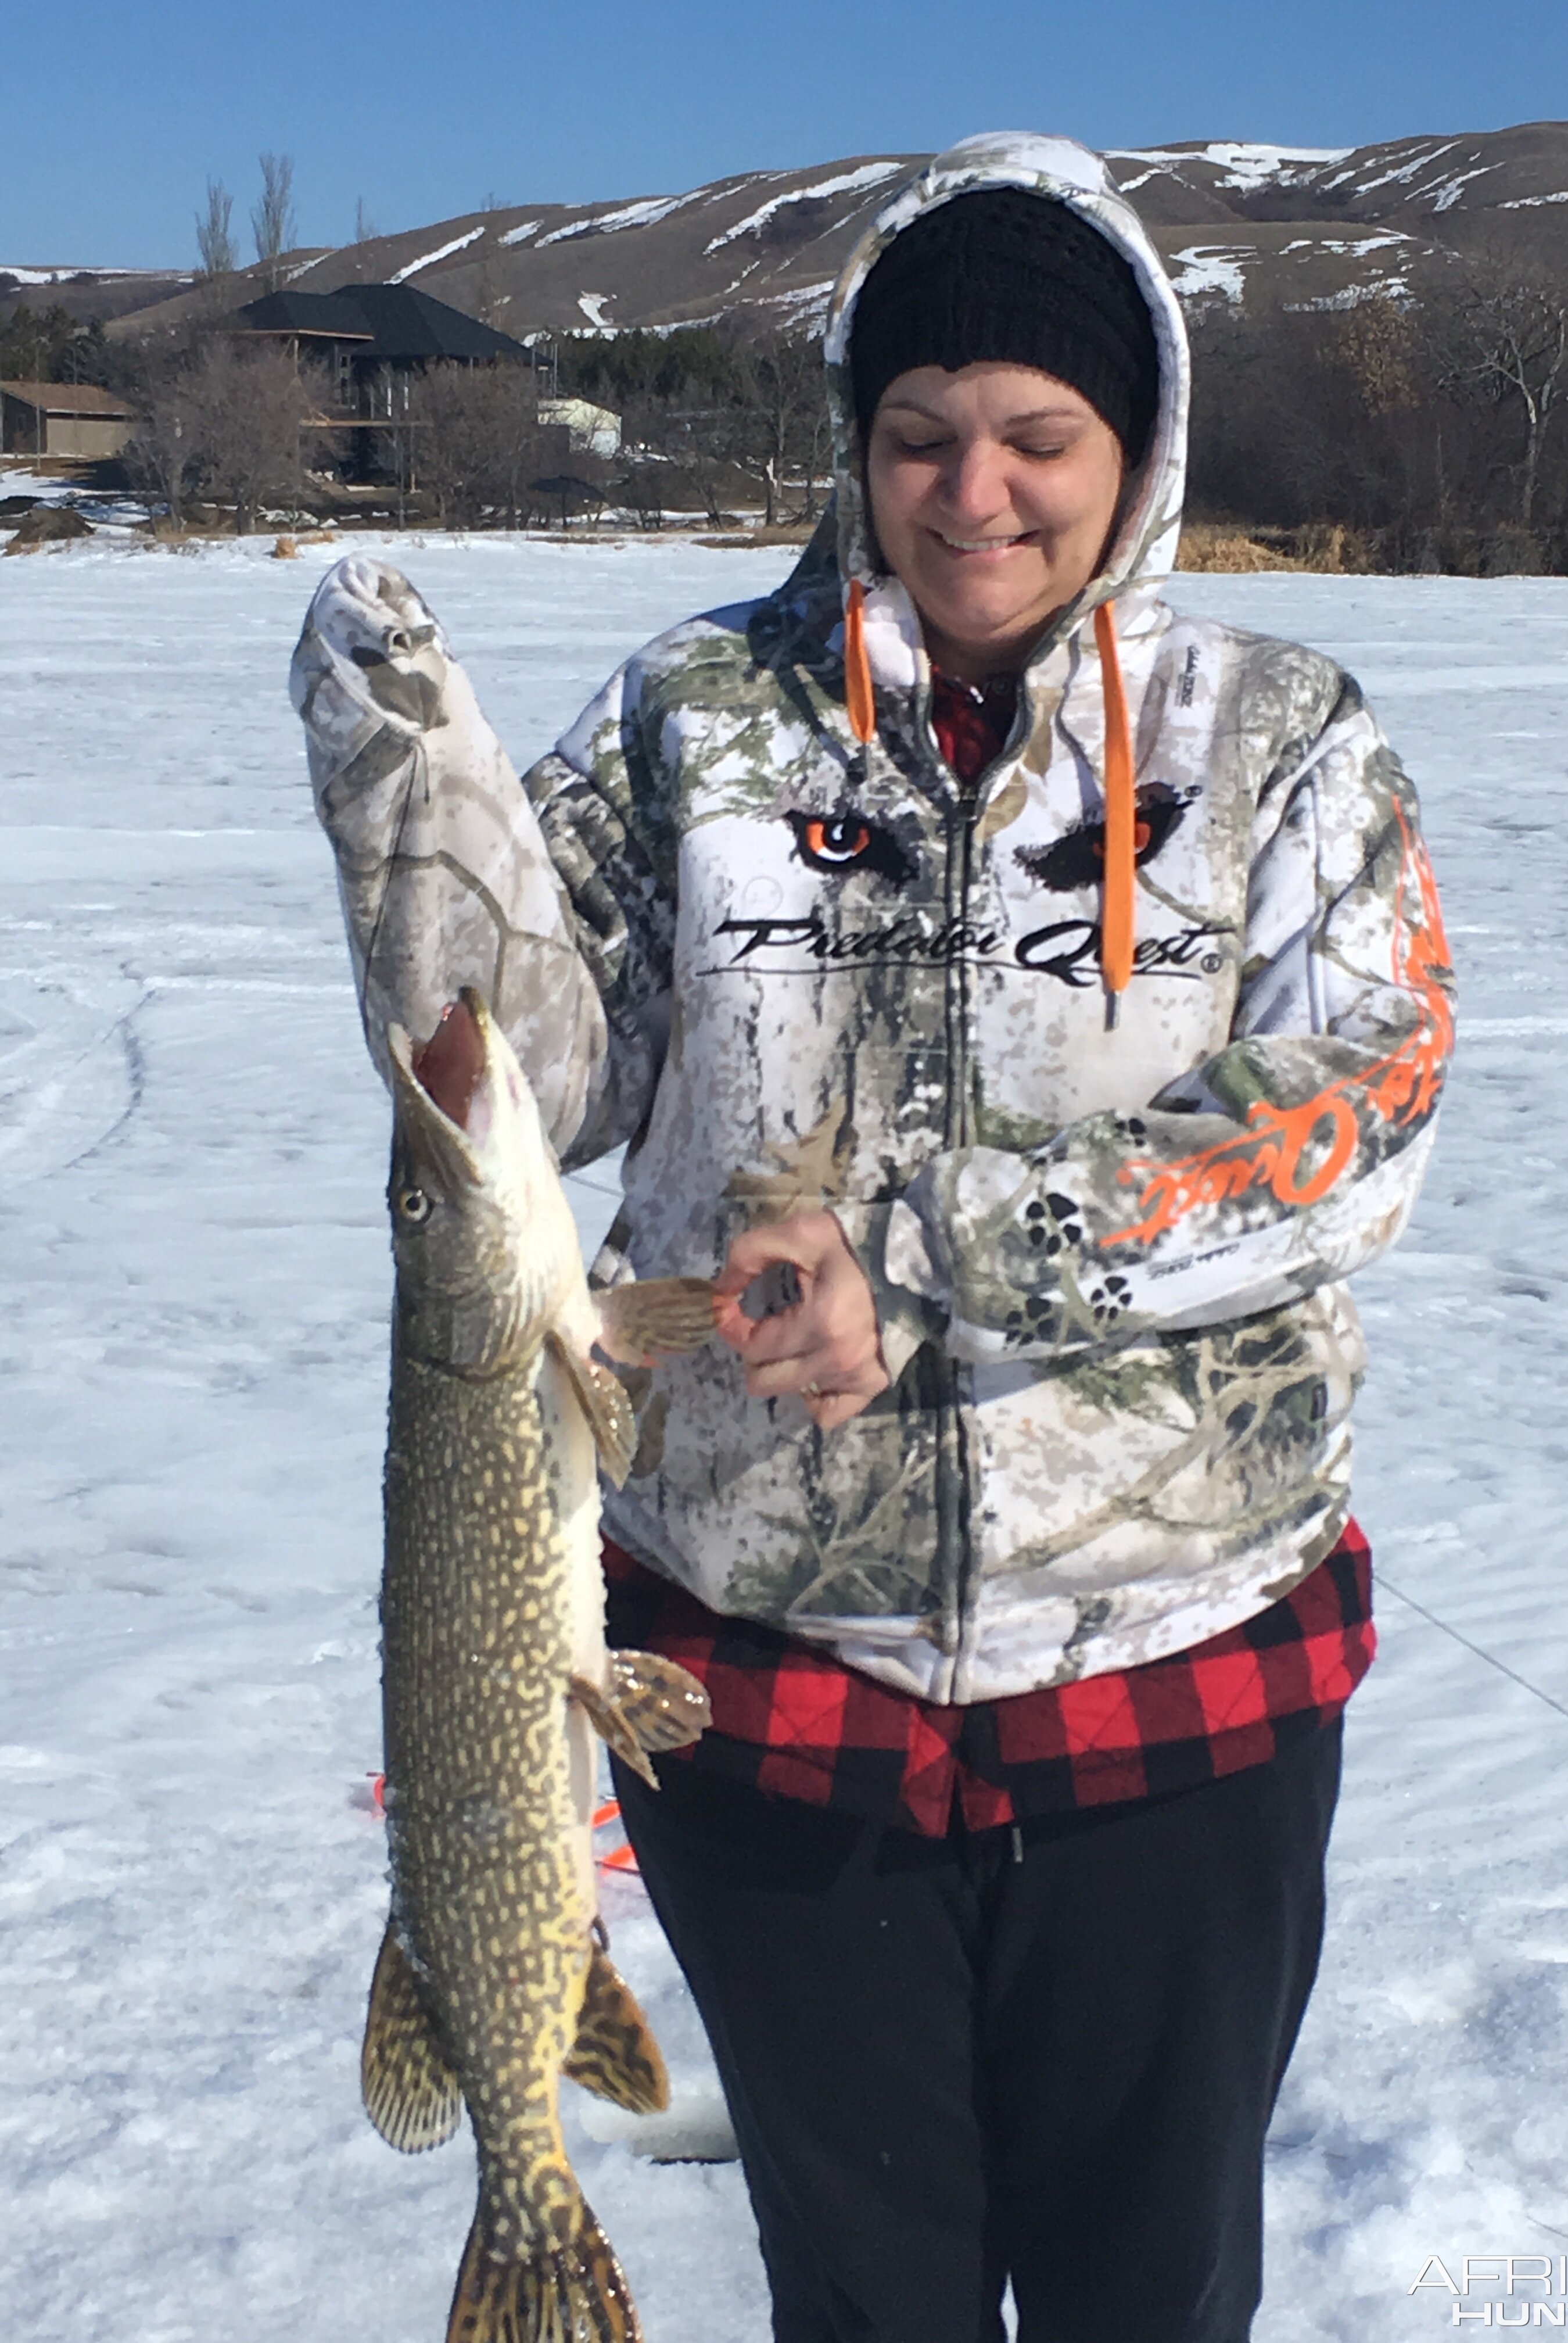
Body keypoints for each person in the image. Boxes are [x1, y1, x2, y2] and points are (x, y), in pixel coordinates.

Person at [293, 130, 1454, 2343]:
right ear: (858, 440)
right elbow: (527, 1074)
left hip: (1174, 1679)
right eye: (919, 436)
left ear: (1141, 447)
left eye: (1040, 438)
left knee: (1154, 2286)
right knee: (865, 2291)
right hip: (768, 1693)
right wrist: (405, 805)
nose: (975, 492)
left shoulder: (1279, 739)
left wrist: (935, 1253)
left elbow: (1357, 1119)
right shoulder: (690, 723)